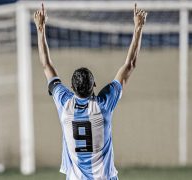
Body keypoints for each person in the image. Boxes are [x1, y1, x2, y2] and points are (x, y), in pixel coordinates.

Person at [33, 3, 147, 180]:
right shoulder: (103, 105)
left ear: (71, 88)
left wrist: (41, 29)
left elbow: (46, 65)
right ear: (94, 86)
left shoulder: (64, 103)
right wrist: (138, 28)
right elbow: (129, 65)